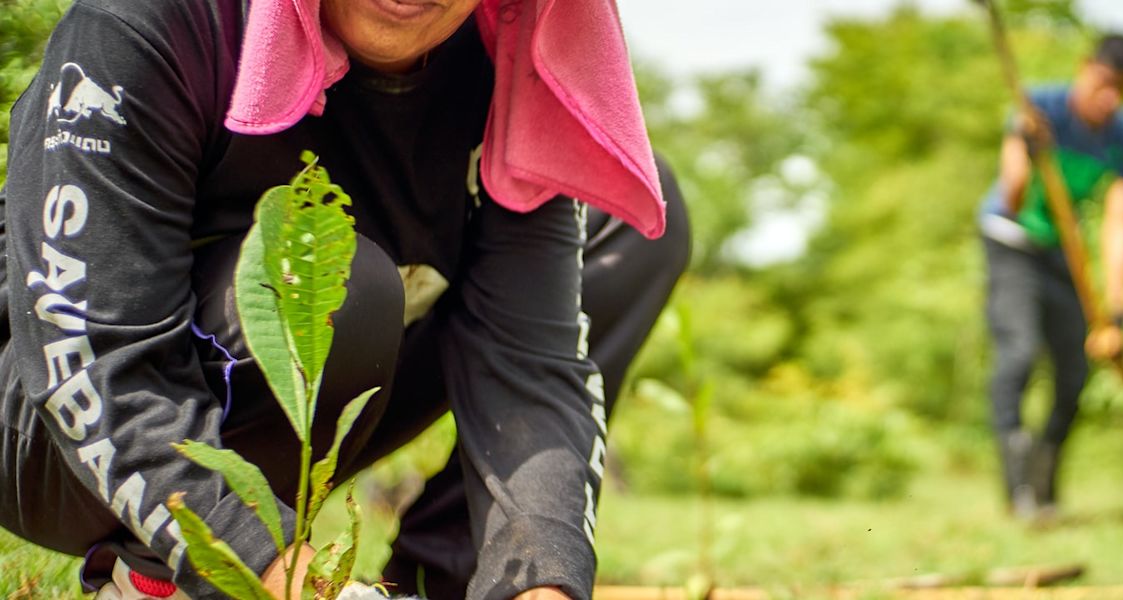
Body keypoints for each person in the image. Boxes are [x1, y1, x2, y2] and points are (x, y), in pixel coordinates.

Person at [0, 0, 670, 598]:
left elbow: (533, 360)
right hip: (53, 426)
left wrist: (542, 584)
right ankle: (158, 571)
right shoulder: (146, 25)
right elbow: (97, 352)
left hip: (310, 395)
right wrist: (278, 573)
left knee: (627, 217)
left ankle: (437, 583)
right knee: (333, 282)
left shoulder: (512, 66)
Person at [383, 158, 692, 600]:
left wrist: (541, 569)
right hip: (268, 388)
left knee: (631, 186)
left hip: (416, 329)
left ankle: (455, 573)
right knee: (365, 289)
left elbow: (536, 369)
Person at [976, 34, 1123, 519]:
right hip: (1009, 239)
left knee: (1074, 374)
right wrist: (1027, 151)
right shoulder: (1039, 107)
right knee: (1020, 352)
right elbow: (1011, 195)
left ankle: (1044, 486)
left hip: (1062, 255)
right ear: (1084, 67)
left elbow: (1119, 221)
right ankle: (1018, 490)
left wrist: (1116, 306)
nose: (1110, 97)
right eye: (1104, 83)